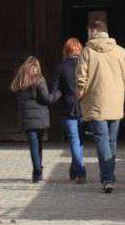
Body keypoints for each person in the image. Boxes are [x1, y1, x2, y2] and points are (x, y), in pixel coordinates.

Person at [75, 19, 125, 194]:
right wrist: (123, 86)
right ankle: (110, 176)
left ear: (94, 31)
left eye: (88, 32)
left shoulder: (87, 52)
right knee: (111, 141)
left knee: (102, 140)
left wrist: (79, 95)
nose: (87, 35)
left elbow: (81, 77)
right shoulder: (121, 51)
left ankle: (107, 178)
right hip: (115, 103)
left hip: (95, 103)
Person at [10, 56, 59, 184]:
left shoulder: (19, 81)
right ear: (37, 67)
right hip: (40, 117)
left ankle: (36, 171)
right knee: (39, 144)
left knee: (33, 145)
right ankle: (38, 169)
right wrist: (58, 93)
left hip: (26, 118)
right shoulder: (39, 79)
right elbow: (47, 98)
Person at [49, 37, 86, 183]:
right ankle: (74, 172)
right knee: (80, 142)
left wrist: (51, 97)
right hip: (84, 107)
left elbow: (55, 90)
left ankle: (81, 172)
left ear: (66, 50)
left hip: (68, 107)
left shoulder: (61, 67)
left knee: (74, 141)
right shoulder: (85, 65)